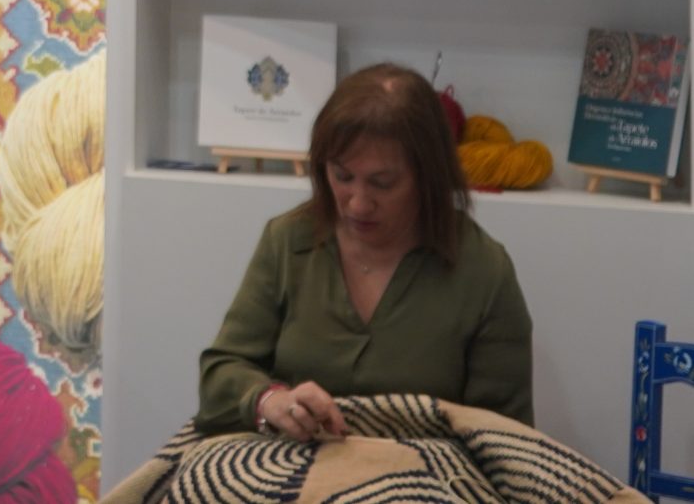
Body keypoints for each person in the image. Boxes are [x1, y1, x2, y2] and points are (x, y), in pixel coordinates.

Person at [196, 64, 534, 439]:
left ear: (429, 178)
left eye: (383, 183)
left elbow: (507, 439)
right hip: (290, 469)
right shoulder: (289, 241)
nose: (357, 203)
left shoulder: (482, 270)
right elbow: (220, 375)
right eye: (342, 176)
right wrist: (268, 400)